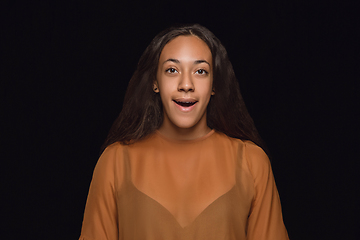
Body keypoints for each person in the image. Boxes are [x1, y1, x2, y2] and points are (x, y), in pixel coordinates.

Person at [79, 24, 289, 240]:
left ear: (214, 84)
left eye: (200, 71)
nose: (186, 84)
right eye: (172, 70)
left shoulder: (252, 163)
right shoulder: (115, 162)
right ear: (155, 82)